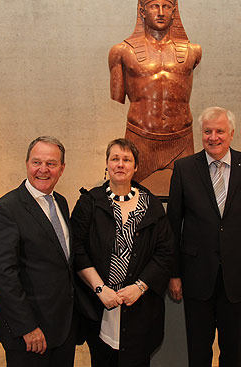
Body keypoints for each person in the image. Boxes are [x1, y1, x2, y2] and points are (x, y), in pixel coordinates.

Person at [167, 107, 241, 367]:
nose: (213, 137)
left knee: (234, 350)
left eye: (219, 131)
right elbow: (172, 226)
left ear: (231, 134)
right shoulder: (184, 169)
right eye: (207, 131)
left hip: (239, 275)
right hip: (196, 276)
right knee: (198, 350)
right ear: (201, 134)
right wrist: (174, 274)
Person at [71, 138, 174, 366]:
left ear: (136, 167)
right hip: (100, 305)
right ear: (106, 164)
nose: (120, 164)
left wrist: (140, 287)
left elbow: (165, 252)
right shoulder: (89, 203)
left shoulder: (151, 204)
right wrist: (100, 289)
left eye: (127, 159)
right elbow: (76, 248)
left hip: (139, 307)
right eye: (115, 158)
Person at [0, 136, 78, 367]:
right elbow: (4, 275)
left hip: (63, 328)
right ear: (27, 164)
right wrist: (27, 327)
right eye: (36, 162)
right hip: (30, 333)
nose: (43, 170)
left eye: (51, 163)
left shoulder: (61, 203)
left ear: (62, 168)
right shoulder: (6, 210)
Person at [109, 0, 202, 193]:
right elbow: (117, 96)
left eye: (166, 6)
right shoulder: (122, 52)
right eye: (154, 6)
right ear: (142, 11)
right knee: (128, 195)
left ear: (174, 11)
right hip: (140, 136)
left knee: (190, 197)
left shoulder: (193, 51)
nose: (160, 12)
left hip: (181, 137)